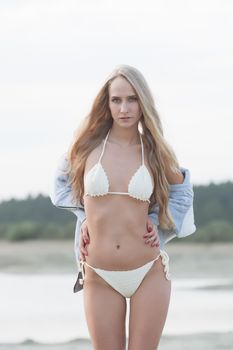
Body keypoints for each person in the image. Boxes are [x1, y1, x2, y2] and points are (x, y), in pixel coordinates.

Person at [50, 64, 196, 350]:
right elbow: (61, 185)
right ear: (106, 103)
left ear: (143, 103)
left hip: (148, 271)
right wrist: (84, 217)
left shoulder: (155, 152)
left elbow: (182, 189)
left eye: (132, 99)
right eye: (116, 100)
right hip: (98, 272)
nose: (124, 108)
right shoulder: (85, 148)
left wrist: (161, 220)